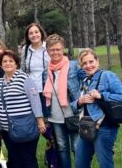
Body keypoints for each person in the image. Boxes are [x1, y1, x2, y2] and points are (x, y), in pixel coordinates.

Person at [72, 48, 122, 168]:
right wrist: (79, 101)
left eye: (91, 61)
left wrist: (102, 95)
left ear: (97, 61)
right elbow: (74, 106)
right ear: (81, 66)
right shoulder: (84, 81)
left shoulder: (108, 76)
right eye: (84, 63)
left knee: (105, 163)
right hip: (86, 126)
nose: (88, 65)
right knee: (80, 162)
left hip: (104, 127)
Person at [0, 50, 47, 168]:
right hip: (7, 129)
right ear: (1, 64)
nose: (7, 63)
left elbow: (35, 101)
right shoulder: (0, 82)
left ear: (16, 64)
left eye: (10, 61)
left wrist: (40, 121)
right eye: (4, 61)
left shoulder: (24, 79)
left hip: (25, 127)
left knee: (28, 160)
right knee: (14, 160)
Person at [43, 34, 82, 168]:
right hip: (55, 117)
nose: (55, 52)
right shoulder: (45, 72)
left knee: (77, 148)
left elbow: (86, 81)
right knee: (62, 148)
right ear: (47, 51)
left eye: (58, 49)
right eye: (52, 49)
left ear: (63, 49)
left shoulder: (74, 66)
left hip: (74, 114)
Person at [20, 23, 50, 111]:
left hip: (47, 89)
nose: (34, 35)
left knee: (48, 117)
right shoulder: (25, 49)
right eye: (31, 33)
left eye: (36, 32)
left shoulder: (48, 47)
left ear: (41, 33)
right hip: (31, 90)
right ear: (28, 36)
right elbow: (23, 69)